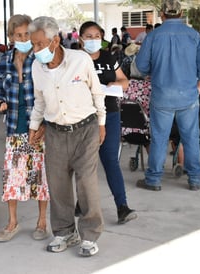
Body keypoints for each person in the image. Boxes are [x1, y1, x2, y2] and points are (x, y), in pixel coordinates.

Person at [28, 16, 105, 257]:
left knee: (86, 184)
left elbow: (97, 92)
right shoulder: (36, 67)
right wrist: (34, 125)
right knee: (58, 186)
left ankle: (90, 236)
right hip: (55, 133)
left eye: (40, 44)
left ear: (56, 40)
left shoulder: (79, 60)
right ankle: (64, 232)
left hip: (86, 130)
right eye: (33, 44)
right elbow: (39, 101)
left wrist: (102, 123)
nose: (36, 50)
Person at [135, 0, 200, 191]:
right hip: (188, 96)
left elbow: (141, 66)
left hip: (161, 95)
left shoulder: (153, 36)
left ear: (162, 14)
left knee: (159, 138)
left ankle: (153, 180)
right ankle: (195, 179)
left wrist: (154, 70)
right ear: (181, 13)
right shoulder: (193, 35)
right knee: (190, 137)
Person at [0, 14, 50, 243]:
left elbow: (48, 93)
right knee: (12, 176)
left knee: (40, 176)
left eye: (27, 34)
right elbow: (0, 91)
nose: (24, 38)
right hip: (14, 127)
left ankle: (42, 222)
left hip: (37, 128)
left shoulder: (40, 59)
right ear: (11, 37)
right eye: (19, 35)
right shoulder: (3, 60)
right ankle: (12, 222)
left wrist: (44, 123)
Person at [78, 21, 136, 224]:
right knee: (85, 162)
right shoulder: (76, 59)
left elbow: (124, 80)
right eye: (88, 36)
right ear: (80, 38)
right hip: (84, 117)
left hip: (110, 113)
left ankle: (122, 206)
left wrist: (116, 83)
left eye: (96, 36)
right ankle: (82, 203)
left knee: (110, 159)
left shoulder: (109, 57)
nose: (93, 40)